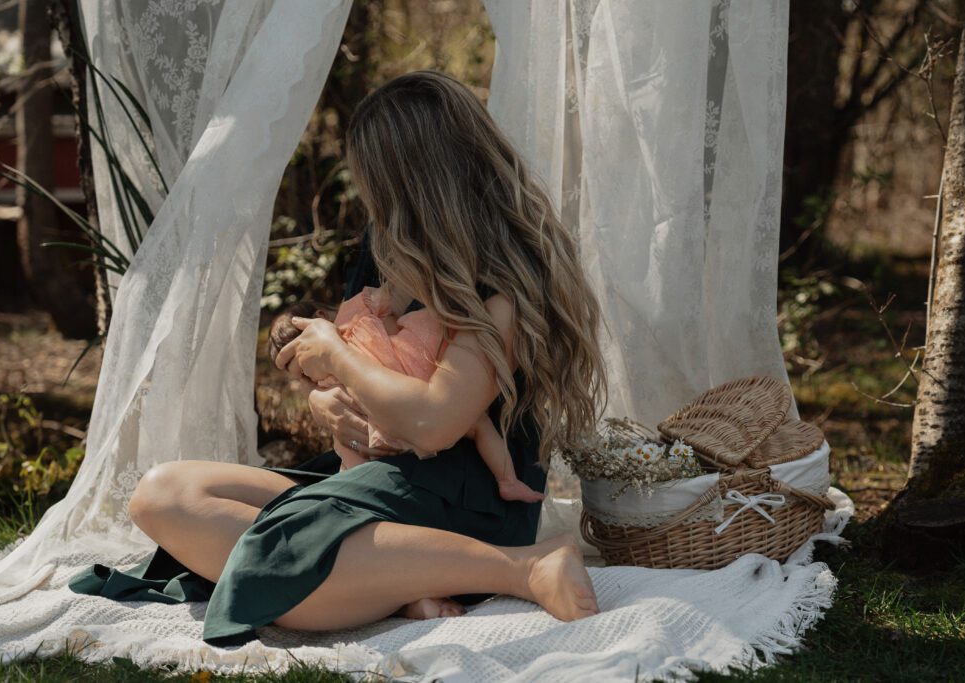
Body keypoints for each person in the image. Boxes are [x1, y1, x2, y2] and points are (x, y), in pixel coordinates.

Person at [69, 70, 608, 646]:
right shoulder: (393, 252)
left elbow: (435, 420)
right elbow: (356, 355)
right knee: (163, 494)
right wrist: (327, 397)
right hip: (377, 476)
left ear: (414, 182)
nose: (371, 199)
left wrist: (337, 359)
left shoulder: (505, 288)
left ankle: (521, 567)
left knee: (282, 581)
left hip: (460, 496)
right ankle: (393, 576)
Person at [269, 285, 545, 503]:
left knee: (350, 457)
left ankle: (347, 489)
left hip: (389, 429)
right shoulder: (356, 312)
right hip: (410, 386)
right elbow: (386, 310)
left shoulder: (327, 357)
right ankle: (508, 480)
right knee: (480, 424)